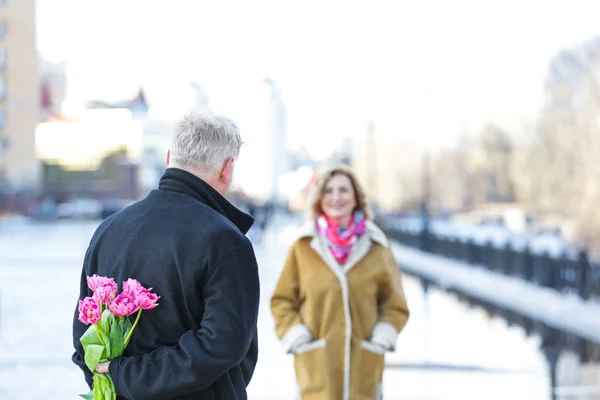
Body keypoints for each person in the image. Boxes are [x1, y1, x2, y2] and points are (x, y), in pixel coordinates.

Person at [72, 111, 260, 400]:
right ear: (227, 168)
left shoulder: (108, 231)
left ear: (170, 157)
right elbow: (223, 346)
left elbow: (85, 339)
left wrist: (119, 380)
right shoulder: (226, 241)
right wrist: (128, 376)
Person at [270, 165, 409, 400]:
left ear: (356, 198)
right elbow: (282, 301)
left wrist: (380, 339)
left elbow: (394, 304)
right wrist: (298, 337)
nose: (336, 197)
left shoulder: (377, 247)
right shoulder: (303, 247)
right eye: (328, 191)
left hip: (363, 367)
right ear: (319, 198)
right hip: (316, 367)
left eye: (344, 190)